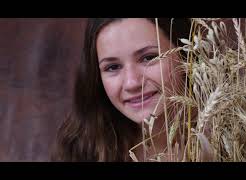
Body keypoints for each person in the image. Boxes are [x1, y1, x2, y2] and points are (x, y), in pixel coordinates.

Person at [51, 18, 192, 162]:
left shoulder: (215, 137)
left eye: (148, 57)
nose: (132, 83)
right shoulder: (78, 152)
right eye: (113, 67)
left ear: (187, 53)